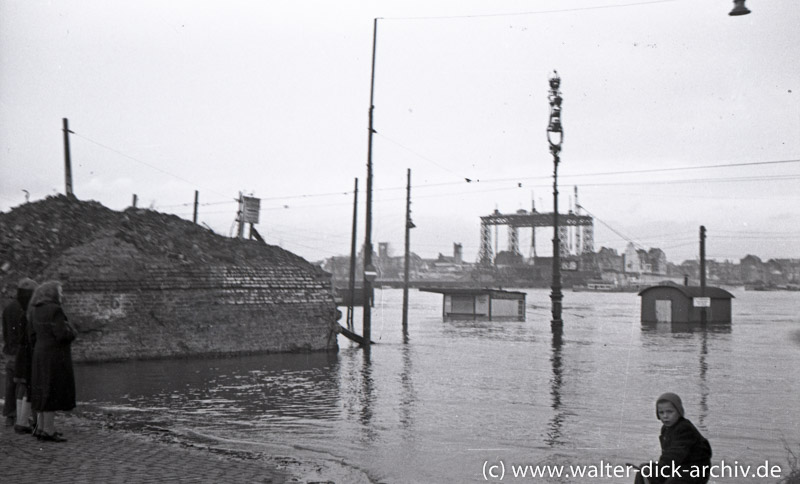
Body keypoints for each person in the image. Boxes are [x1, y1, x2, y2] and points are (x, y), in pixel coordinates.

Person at [28, 280, 76, 442]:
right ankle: (49, 430)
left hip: (39, 354)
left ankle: (41, 428)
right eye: (60, 291)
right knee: (51, 391)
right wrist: (72, 331)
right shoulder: (55, 310)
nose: (61, 294)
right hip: (54, 357)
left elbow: (31, 335)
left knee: (42, 390)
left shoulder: (34, 309)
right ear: (52, 293)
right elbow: (62, 334)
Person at [634, 392, 712, 484]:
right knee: (643, 470)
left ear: (679, 412)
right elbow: (666, 455)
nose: (665, 416)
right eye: (661, 412)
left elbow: (674, 455)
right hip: (678, 467)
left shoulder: (684, 428)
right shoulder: (666, 429)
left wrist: (660, 470)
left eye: (669, 412)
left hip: (695, 470)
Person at [2, 278, 37, 427]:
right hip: (23, 352)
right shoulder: (28, 309)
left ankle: (10, 415)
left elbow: (5, 331)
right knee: (26, 383)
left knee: (11, 383)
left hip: (10, 351)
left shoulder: (8, 308)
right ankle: (25, 417)